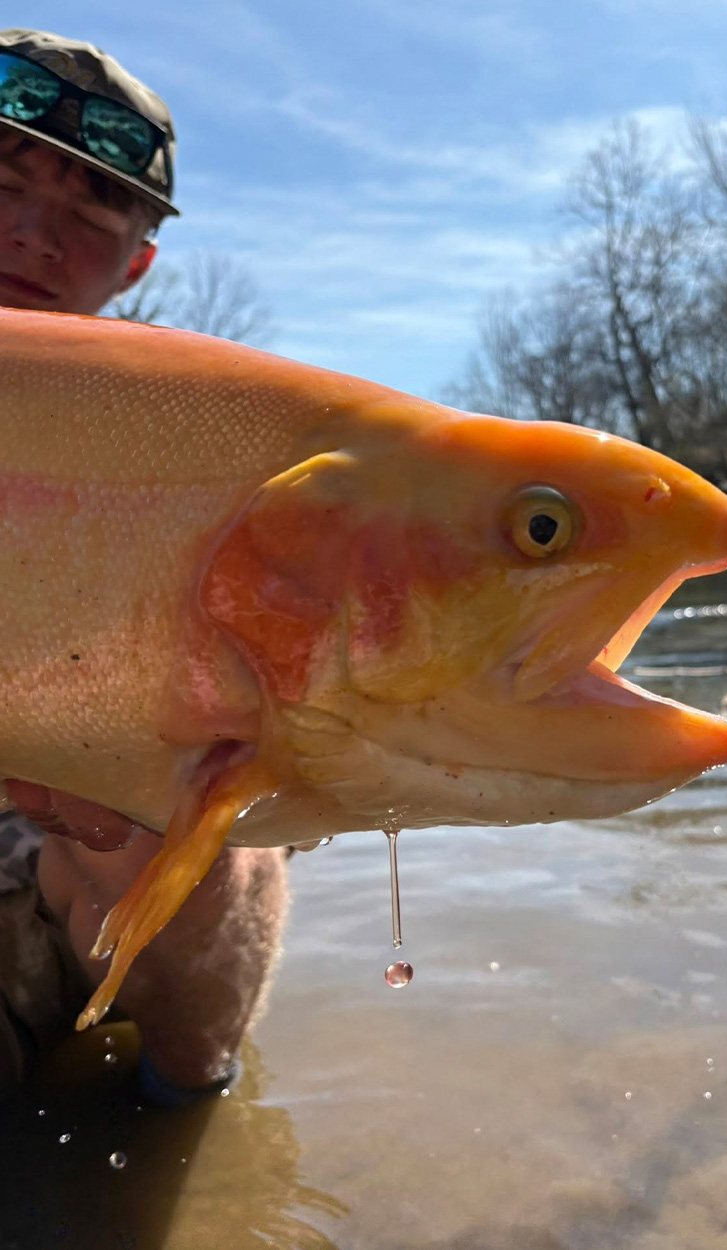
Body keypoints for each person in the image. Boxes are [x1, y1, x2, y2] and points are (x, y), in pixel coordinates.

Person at [0, 28, 289, 1104]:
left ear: (134, 266)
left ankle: (185, 1108)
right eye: (2, 183)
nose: (31, 235)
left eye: (88, 215)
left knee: (210, 812)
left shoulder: (195, 465)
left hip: (41, 874)